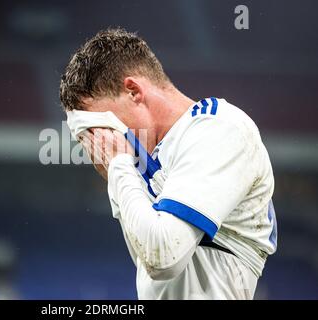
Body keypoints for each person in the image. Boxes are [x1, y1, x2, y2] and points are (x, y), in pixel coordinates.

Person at [60, 28, 277, 299]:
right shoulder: (155, 157)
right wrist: (119, 176)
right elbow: (148, 263)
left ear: (134, 92)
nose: (100, 145)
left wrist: (119, 166)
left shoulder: (219, 128)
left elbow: (163, 257)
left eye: (101, 129)